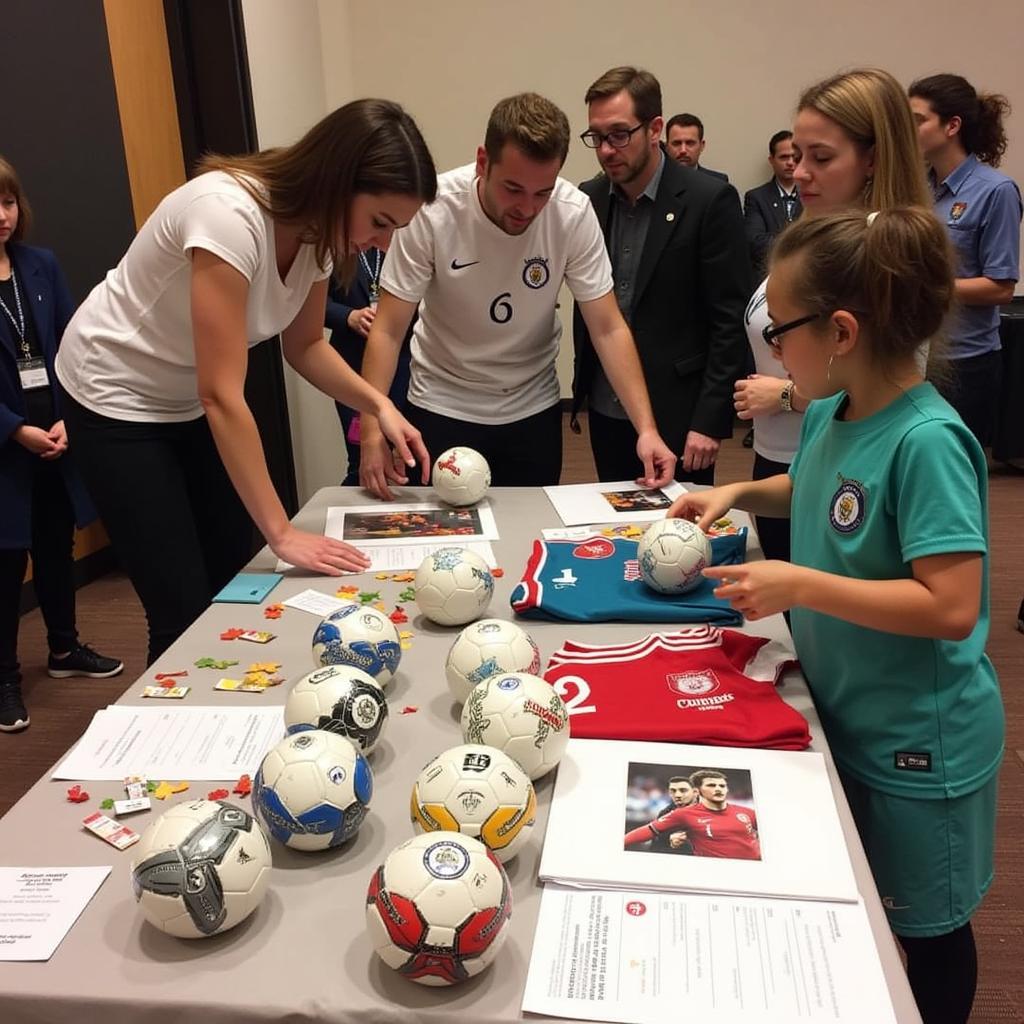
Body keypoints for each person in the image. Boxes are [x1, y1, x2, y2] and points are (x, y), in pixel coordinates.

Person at [673, 207, 1004, 1024]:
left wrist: (802, 585)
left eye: (781, 330)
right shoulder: (829, 411)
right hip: (846, 712)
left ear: (844, 330)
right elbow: (818, 485)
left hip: (919, 742)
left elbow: (952, 606)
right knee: (854, 895)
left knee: (927, 933)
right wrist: (742, 491)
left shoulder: (927, 441)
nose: (776, 350)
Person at [55, 100, 436, 664]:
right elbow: (221, 393)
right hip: (114, 397)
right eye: (380, 222)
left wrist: (378, 404)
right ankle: (181, 734)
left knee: (234, 576)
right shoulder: (226, 213)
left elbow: (305, 345)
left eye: (396, 229)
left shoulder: (321, 235)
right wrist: (281, 532)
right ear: (336, 181)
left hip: (188, 398)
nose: (383, 242)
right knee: (181, 604)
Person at [358, 92, 676, 499]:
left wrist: (646, 428)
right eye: (513, 189)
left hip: (532, 408)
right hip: (443, 402)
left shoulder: (572, 213)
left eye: (542, 192)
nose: (527, 208)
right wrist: (370, 428)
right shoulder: (434, 210)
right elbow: (388, 328)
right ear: (482, 163)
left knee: (529, 531)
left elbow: (608, 327)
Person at [735, 68, 932, 562]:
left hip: (851, 477)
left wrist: (783, 394)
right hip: (796, 460)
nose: (799, 171)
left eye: (820, 157)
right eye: (798, 155)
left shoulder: (887, 261)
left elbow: (884, 395)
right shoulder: (811, 233)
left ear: (873, 160)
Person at [573, 67, 751, 486]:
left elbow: (729, 319)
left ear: (654, 129)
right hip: (606, 404)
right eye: (596, 137)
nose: (606, 150)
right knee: (614, 523)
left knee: (680, 540)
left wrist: (711, 419)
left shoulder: (709, 200)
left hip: (679, 411)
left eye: (619, 134)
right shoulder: (589, 199)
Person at [0, 158, 122, 732]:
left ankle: (64, 648)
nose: (2, 215)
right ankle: (4, 678)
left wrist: (70, 415)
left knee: (55, 547)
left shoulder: (39, 265)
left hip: (55, 436)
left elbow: (72, 343)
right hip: (6, 446)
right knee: (5, 566)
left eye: (7, 202)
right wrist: (13, 428)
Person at [909, 73, 1022, 447]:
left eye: (918, 120)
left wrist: (926, 288)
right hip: (914, 353)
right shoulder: (919, 187)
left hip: (964, 362)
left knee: (954, 477)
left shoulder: (995, 191)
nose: (909, 130)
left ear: (952, 125)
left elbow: (1001, 287)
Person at [324, 248, 412, 486]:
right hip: (350, 367)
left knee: (406, 449)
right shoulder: (336, 248)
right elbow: (314, 305)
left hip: (407, 363)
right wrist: (348, 316)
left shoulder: (403, 243)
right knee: (361, 451)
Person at [624, 769, 760, 860]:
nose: (718, 789)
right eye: (712, 785)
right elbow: (649, 831)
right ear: (698, 791)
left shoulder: (746, 812)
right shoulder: (682, 814)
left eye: (722, 786)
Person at [743, 130, 802, 278]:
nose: (790, 163)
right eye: (784, 157)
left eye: (795, 158)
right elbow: (756, 243)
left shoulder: (813, 195)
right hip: (768, 277)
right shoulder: (756, 197)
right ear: (772, 160)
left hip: (806, 277)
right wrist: (802, 241)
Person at [664, 114, 729, 181]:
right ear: (666, 147)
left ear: (701, 146)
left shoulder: (718, 181)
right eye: (676, 143)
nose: (683, 150)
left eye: (690, 143)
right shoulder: (657, 181)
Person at [647, 774, 696, 854]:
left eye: (683, 790)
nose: (677, 795)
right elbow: (656, 845)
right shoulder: (665, 813)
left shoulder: (708, 809)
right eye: (673, 791)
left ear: (695, 792)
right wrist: (668, 838)